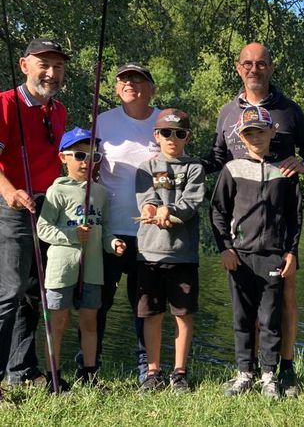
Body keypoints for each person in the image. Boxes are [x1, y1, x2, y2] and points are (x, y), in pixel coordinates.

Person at [201, 42, 304, 397]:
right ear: (239, 68)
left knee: (281, 303)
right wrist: (181, 167)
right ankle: (246, 371)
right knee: (243, 311)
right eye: (248, 64)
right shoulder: (227, 112)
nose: (255, 69)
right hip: (241, 235)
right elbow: (215, 160)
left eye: (262, 63)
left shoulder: (288, 110)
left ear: (271, 67)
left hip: (277, 229)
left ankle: (283, 369)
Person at [211, 106, 302, 400]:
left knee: (270, 318)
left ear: (272, 132)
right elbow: (218, 212)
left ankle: (268, 376)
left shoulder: (286, 171)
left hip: (273, 256)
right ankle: (244, 373)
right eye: (249, 133)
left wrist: (291, 252)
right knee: (241, 317)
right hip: (239, 256)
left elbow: (295, 217)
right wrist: (225, 247)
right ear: (241, 136)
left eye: (261, 131)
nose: (255, 137)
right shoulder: (232, 169)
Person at [79, 63, 160, 382]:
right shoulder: (103, 122)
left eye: (139, 80)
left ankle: (147, 371)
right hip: (109, 232)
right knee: (98, 304)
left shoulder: (163, 121)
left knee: (145, 305)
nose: (131, 84)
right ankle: (89, 366)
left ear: (151, 88)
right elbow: (89, 169)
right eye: (125, 80)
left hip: (150, 233)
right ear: (115, 88)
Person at [0, 38, 69, 394]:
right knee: (8, 291)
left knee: (32, 292)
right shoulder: (6, 103)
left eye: (57, 66)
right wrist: (10, 190)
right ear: (25, 65)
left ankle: (21, 369)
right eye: (44, 64)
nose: (51, 72)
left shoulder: (58, 110)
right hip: (11, 207)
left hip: (46, 209)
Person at [37, 128, 126, 391]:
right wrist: (72, 234)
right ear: (63, 158)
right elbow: (43, 229)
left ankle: (89, 373)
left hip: (93, 269)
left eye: (93, 156)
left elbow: (104, 228)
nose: (86, 161)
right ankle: (53, 376)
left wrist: (113, 243)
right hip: (61, 269)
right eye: (79, 155)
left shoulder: (99, 193)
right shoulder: (57, 191)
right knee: (58, 323)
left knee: (89, 321)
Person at [135, 109, 205, 393]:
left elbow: (192, 201)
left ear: (187, 136)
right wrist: (152, 208)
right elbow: (146, 199)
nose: (172, 138)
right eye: (166, 133)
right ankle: (153, 372)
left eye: (178, 133)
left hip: (182, 255)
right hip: (149, 254)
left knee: (182, 314)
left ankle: (179, 372)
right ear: (156, 136)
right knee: (152, 314)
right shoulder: (145, 167)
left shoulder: (194, 167)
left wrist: (171, 210)